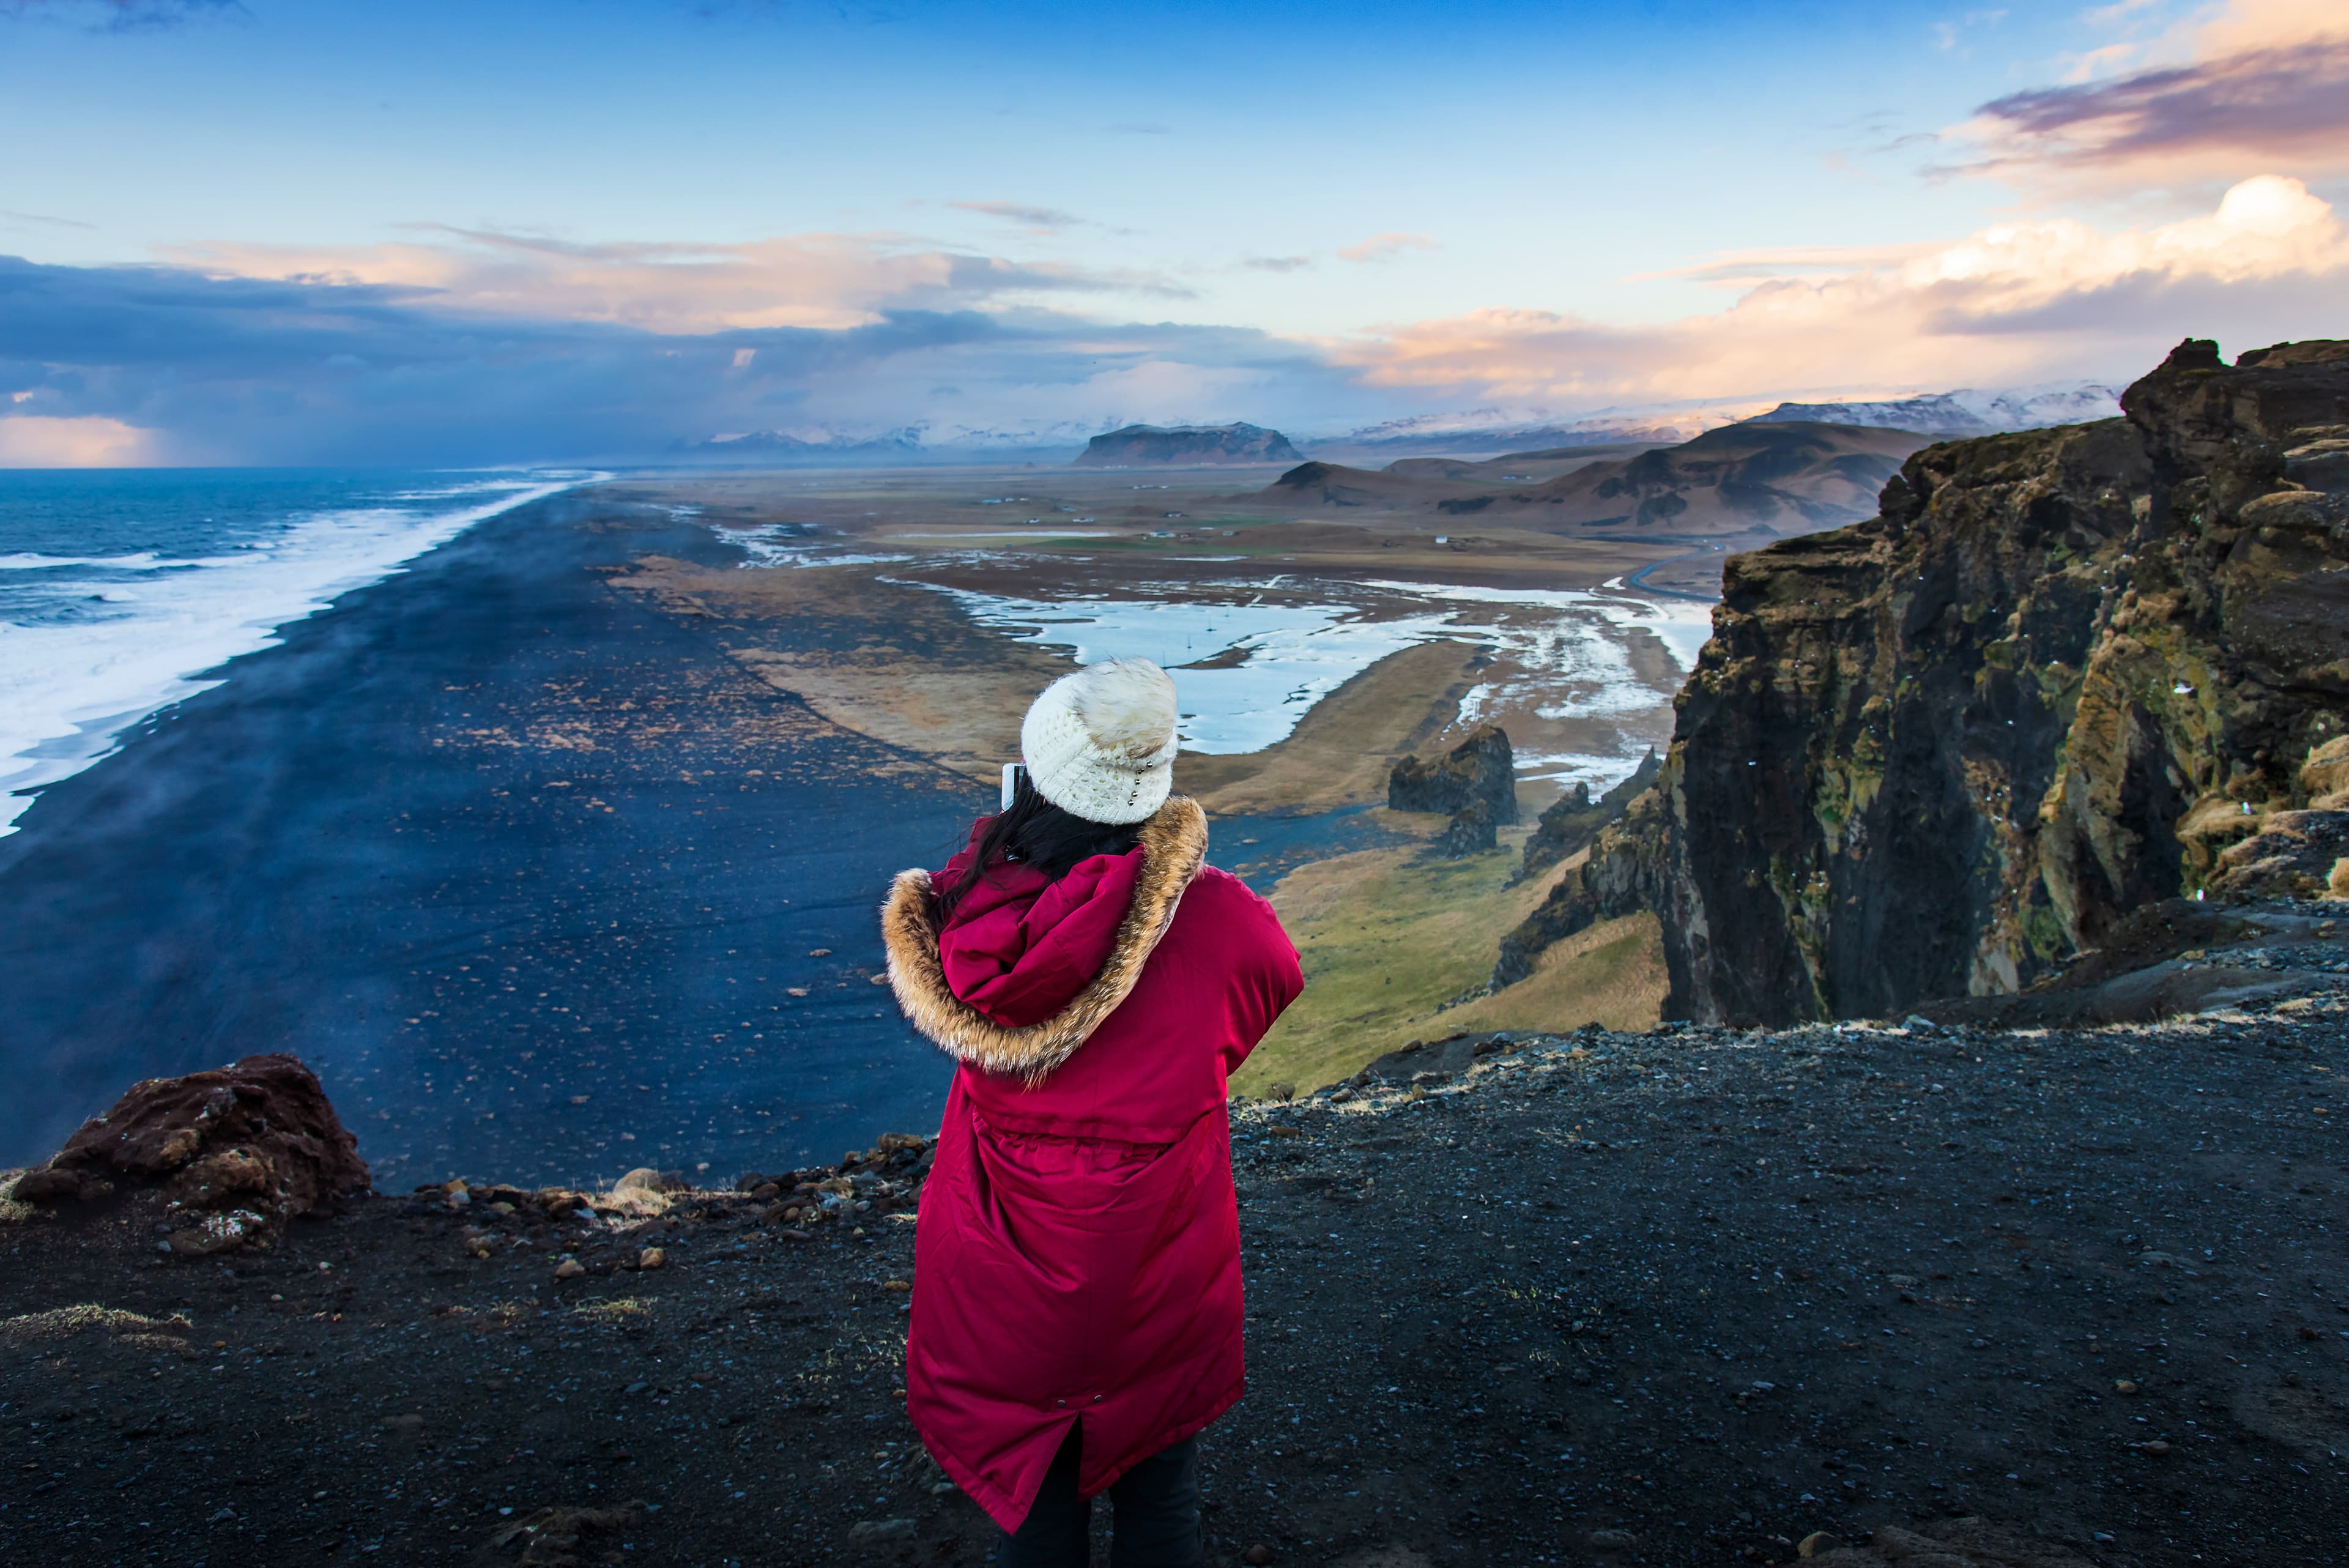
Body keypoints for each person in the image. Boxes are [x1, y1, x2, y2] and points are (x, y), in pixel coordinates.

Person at [881, 656, 1304, 1567]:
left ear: (1038, 775)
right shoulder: (1218, 919)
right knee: (1161, 1500)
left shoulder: (964, 914)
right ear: (1147, 787)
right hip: (1160, 1276)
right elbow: (1271, 983)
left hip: (1001, 1289)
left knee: (1033, 1513)